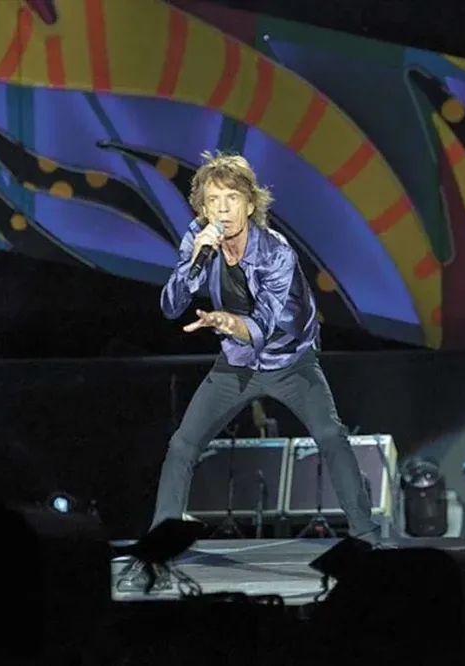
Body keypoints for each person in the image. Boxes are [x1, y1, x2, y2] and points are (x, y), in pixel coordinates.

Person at [117, 152, 379, 592]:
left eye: (231, 198)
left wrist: (225, 322)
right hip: (236, 365)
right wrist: (193, 262)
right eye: (213, 200)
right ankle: (158, 551)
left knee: (331, 436)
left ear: (250, 205)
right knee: (183, 443)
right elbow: (169, 305)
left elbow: (269, 326)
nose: (222, 209)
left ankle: (367, 539)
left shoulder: (276, 252)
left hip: (290, 362)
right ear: (202, 208)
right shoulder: (198, 239)